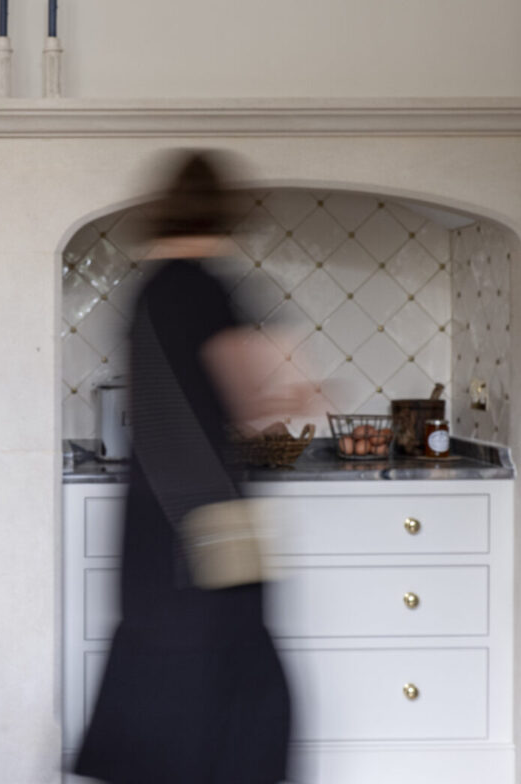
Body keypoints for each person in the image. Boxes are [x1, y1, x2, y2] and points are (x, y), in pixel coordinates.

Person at [74, 151, 302, 784]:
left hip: (151, 514)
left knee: (160, 668)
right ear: (226, 208)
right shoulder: (206, 287)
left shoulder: (147, 289)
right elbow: (251, 406)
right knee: (225, 678)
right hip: (206, 517)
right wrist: (299, 389)